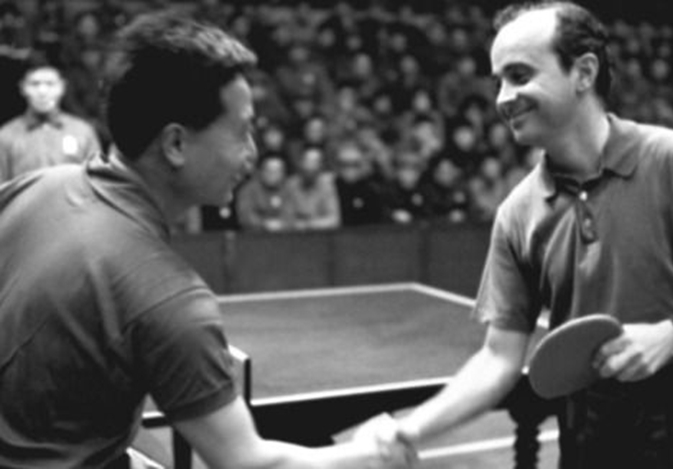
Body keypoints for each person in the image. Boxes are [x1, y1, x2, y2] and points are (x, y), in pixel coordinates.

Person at [0, 11, 414, 469]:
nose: (252, 152)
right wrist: (373, 453)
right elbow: (248, 463)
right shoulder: (166, 295)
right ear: (175, 144)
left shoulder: (35, 187)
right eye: (242, 132)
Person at [360, 2, 673, 468]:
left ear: (584, 72)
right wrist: (407, 430)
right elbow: (499, 358)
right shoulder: (517, 214)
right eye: (498, 82)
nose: (503, 98)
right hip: (591, 443)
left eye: (520, 75)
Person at [0, 59, 101, 183]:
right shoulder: (6, 135)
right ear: (23, 88)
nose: (42, 91)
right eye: (35, 84)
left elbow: (96, 182)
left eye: (50, 84)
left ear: (62, 87)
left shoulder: (83, 131)